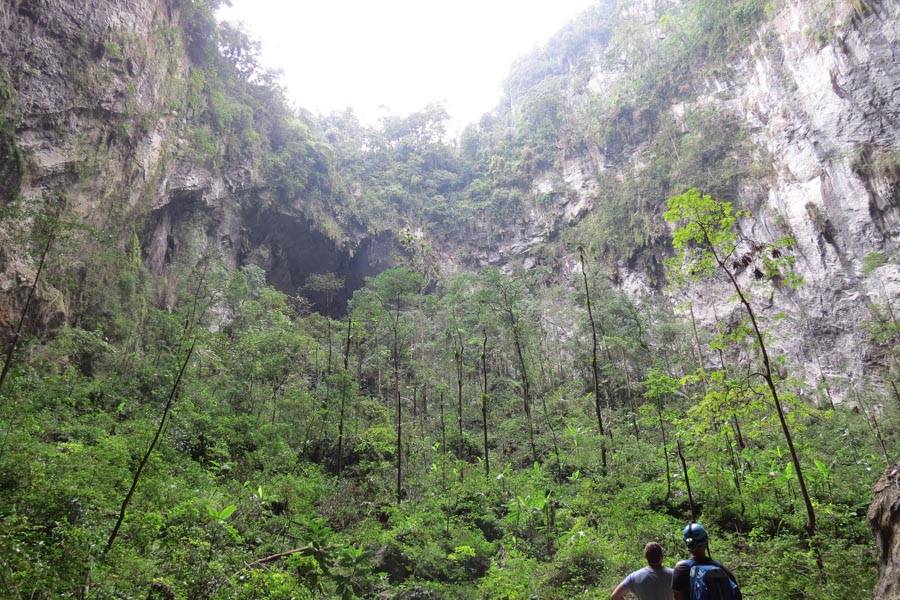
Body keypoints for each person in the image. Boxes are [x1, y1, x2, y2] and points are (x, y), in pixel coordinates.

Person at [672, 523, 741, 600]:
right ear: (706, 542)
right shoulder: (720, 568)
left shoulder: (681, 568)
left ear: (687, 544)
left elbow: (678, 597)